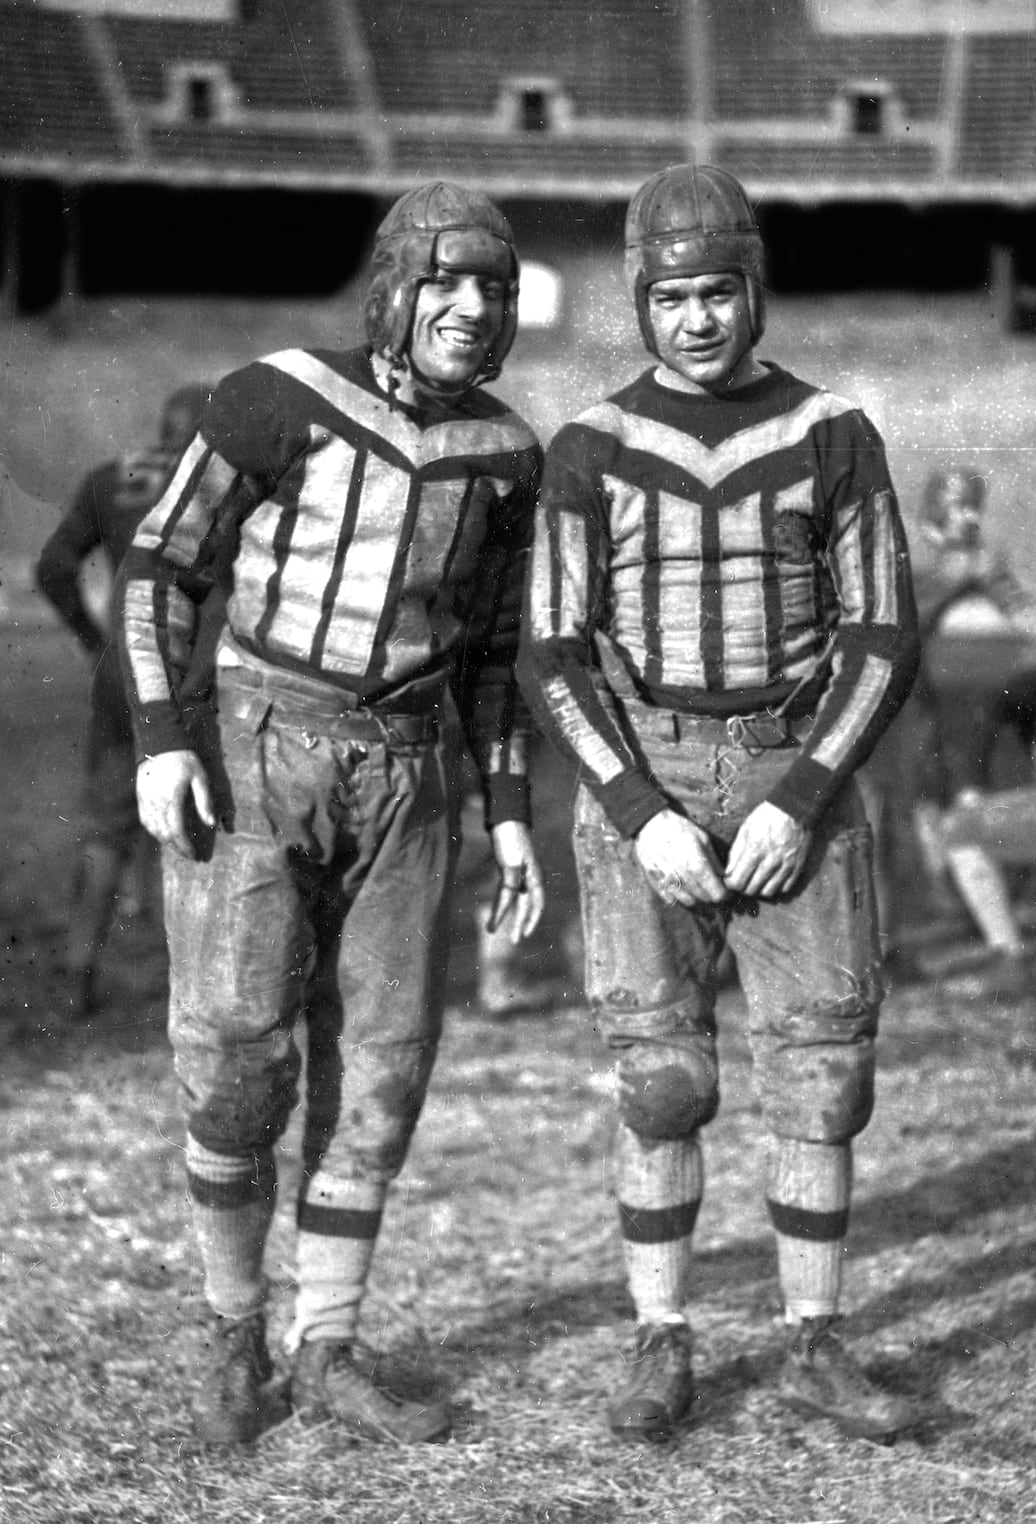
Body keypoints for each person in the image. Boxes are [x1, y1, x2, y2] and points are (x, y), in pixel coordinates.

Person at [117, 182, 546, 1448]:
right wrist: (158, 741)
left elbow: (492, 652)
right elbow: (160, 562)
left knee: (387, 1071)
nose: (470, 311)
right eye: (447, 283)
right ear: (396, 284)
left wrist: (510, 812)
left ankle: (328, 1346)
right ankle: (230, 1339)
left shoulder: (508, 454)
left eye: (494, 290)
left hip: (410, 775)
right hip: (261, 753)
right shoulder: (278, 396)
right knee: (242, 1068)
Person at [518, 163, 921, 1445]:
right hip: (648, 781)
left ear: (755, 293)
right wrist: (637, 808)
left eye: (718, 293)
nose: (697, 319)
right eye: (674, 296)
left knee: (819, 1079)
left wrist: (801, 795)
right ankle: (661, 1339)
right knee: (661, 1085)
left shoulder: (832, 431)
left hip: (790, 776)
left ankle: (813, 1339)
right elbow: (552, 648)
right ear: (643, 301)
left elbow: (882, 632)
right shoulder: (589, 444)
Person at [34, 383, 212, 1018]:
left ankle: (79, 971)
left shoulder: (114, 474)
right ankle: (190, 982)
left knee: (107, 828)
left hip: (124, 663)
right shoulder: (224, 475)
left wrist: (96, 641)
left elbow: (53, 567)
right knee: (202, 817)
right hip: (199, 666)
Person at [861, 466, 1036, 997]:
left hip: (988, 717)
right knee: (919, 824)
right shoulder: (919, 577)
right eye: (951, 511)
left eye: (971, 507)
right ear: (929, 525)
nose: (965, 519)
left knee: (972, 822)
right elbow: (903, 632)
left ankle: (997, 940)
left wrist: (1003, 592)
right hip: (929, 721)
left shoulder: (992, 574)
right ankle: (892, 944)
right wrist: (960, 580)